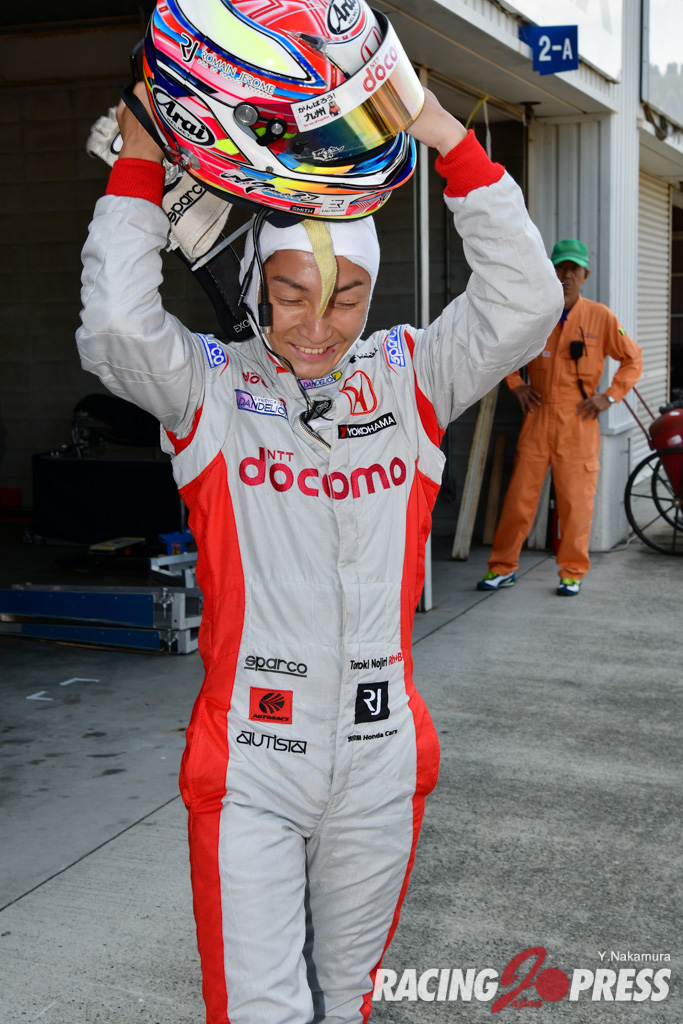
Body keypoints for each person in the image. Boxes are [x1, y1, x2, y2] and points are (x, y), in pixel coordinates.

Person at [76, 6, 562, 1020]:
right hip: (250, 765)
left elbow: (525, 303)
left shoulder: (410, 376)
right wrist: (138, 160)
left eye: (343, 301)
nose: (314, 327)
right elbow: (117, 328)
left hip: (381, 759)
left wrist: (433, 126)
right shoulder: (209, 386)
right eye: (291, 295)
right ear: (257, 285)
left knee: (348, 1003)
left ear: (372, 296)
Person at [478, 238, 642, 597]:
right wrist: (516, 383)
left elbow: (633, 359)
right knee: (519, 500)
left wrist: (609, 397)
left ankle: (572, 571)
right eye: (560, 267)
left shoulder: (601, 317)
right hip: (538, 418)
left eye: (574, 269)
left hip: (579, 422)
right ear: (550, 271)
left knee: (576, 504)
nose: (566, 275)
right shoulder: (536, 315)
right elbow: (503, 351)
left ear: (585, 275)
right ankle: (502, 567)